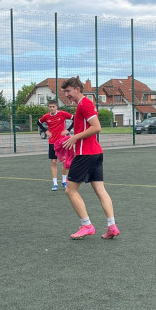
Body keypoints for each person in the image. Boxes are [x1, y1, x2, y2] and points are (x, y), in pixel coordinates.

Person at [60, 77, 119, 240]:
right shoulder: (83, 104)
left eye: (68, 91)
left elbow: (96, 127)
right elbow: (88, 128)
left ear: (77, 89)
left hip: (85, 154)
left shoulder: (85, 104)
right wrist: (73, 135)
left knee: (70, 190)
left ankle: (86, 225)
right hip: (95, 153)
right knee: (100, 190)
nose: (66, 94)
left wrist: (74, 137)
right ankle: (112, 226)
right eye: (65, 91)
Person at [37, 100, 73, 191]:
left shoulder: (62, 114)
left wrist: (68, 130)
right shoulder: (46, 116)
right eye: (50, 106)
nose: (52, 108)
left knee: (64, 162)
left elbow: (75, 119)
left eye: (53, 106)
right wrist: (45, 131)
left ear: (56, 107)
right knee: (53, 162)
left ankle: (64, 181)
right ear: (48, 107)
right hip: (52, 142)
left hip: (62, 141)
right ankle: (55, 183)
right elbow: (38, 122)